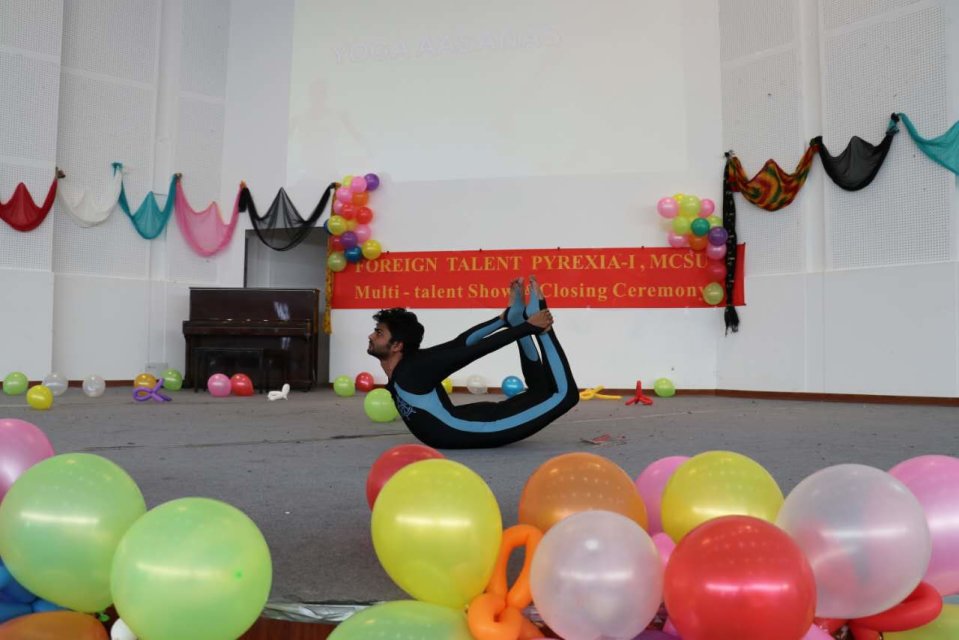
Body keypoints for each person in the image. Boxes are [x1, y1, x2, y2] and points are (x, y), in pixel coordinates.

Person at [367, 277, 579, 448]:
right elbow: (462, 344)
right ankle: (519, 319)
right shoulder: (412, 366)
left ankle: (539, 323)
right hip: (473, 424)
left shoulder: (414, 369)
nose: (371, 336)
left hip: (483, 426)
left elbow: (471, 348)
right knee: (542, 393)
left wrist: (528, 326)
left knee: (566, 396)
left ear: (397, 346)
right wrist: (506, 322)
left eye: (379, 333)